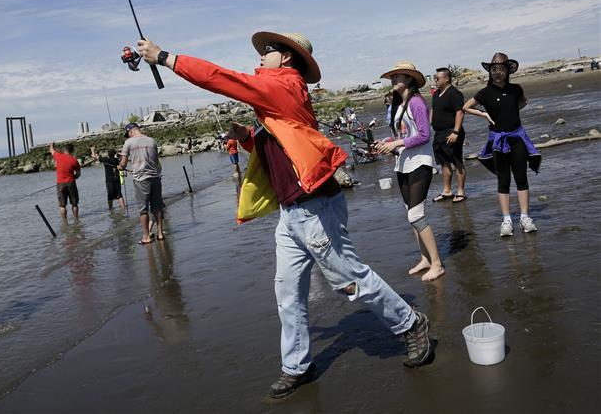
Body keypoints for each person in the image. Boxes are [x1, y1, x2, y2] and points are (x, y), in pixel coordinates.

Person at [136, 32, 434, 400]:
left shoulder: (285, 86)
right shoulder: (278, 93)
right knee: (288, 293)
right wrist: (248, 137)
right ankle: (297, 365)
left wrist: (164, 57)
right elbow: (283, 143)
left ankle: (410, 323)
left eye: (268, 51)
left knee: (349, 279)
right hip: (291, 211)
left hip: (314, 206)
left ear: (288, 59)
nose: (260, 56)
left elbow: (220, 78)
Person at [374, 62, 444, 283]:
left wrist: (397, 144)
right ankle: (424, 259)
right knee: (410, 215)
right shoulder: (399, 103)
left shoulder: (416, 102)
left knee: (416, 215)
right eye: (392, 77)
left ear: (411, 79)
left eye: (399, 76)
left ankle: (437, 264)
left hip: (420, 163)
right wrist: (386, 142)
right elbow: (403, 135)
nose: (394, 80)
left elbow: (424, 135)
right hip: (403, 164)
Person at [463, 53, 541, 237]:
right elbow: (466, 107)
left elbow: (523, 101)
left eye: (502, 69)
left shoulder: (516, 89)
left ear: (508, 71)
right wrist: (484, 114)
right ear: (490, 71)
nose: (498, 73)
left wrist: (513, 110)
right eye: (494, 69)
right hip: (498, 141)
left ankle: (524, 217)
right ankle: (506, 220)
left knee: (521, 178)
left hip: (517, 139)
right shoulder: (485, 92)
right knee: (503, 180)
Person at [119, 123, 165, 244]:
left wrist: (120, 167)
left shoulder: (128, 142)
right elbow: (155, 161)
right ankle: (160, 234)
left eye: (127, 134)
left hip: (141, 179)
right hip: (155, 177)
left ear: (130, 132)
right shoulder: (152, 141)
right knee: (157, 207)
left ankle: (146, 237)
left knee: (143, 210)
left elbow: (123, 164)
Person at [430, 67, 467, 203]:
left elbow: (460, 113)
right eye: (435, 78)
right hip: (439, 133)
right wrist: (429, 125)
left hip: (452, 131)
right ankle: (447, 190)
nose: (435, 80)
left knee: (457, 162)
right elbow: (434, 110)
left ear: (446, 78)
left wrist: (456, 132)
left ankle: (461, 191)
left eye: (437, 78)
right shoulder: (436, 93)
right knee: (443, 162)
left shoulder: (454, 93)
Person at [50, 142, 81, 221]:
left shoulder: (58, 156)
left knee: (62, 205)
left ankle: (64, 222)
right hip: (71, 183)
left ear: (64, 150)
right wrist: (73, 177)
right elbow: (78, 174)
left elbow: (52, 150)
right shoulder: (74, 160)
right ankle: (76, 219)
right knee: (74, 203)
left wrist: (51, 145)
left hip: (60, 183)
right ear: (72, 151)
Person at [91, 146, 126, 210]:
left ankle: (110, 209)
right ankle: (123, 208)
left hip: (109, 181)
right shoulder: (117, 160)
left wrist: (92, 150)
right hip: (117, 179)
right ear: (114, 154)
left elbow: (94, 156)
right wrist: (118, 155)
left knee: (110, 196)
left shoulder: (105, 159)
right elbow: (122, 159)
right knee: (119, 195)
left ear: (108, 154)